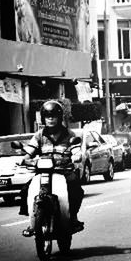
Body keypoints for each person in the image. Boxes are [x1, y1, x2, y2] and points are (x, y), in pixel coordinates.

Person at [18, 100, 84, 237]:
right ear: (43, 118)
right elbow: (30, 151)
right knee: (25, 190)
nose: (51, 119)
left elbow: (76, 149)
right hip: (43, 172)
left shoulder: (69, 135)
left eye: (54, 116)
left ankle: (73, 218)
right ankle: (32, 222)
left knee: (76, 189)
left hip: (64, 171)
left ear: (60, 118)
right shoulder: (39, 136)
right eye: (48, 117)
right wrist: (24, 159)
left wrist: (77, 156)